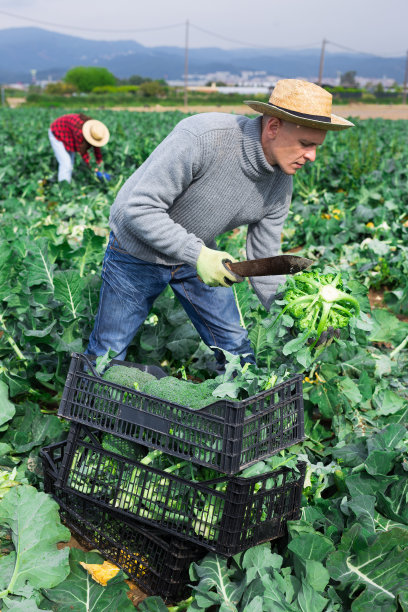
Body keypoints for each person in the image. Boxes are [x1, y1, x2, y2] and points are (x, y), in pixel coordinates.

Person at [86, 79, 354, 370]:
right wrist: (197, 254)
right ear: (273, 127)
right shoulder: (204, 136)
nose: (312, 156)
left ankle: (239, 409)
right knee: (107, 353)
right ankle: (86, 411)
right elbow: (136, 209)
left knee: (236, 351)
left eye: (317, 147)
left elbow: (265, 262)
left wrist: (300, 314)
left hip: (198, 255)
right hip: (136, 251)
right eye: (306, 144)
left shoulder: (280, 184)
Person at [48, 113, 111, 183]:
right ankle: (62, 188)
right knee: (66, 164)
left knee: (70, 164)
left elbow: (96, 147)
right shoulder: (79, 132)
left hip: (68, 134)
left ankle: (66, 181)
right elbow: (83, 153)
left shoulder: (93, 128)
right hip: (57, 132)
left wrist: (99, 162)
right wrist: (94, 169)